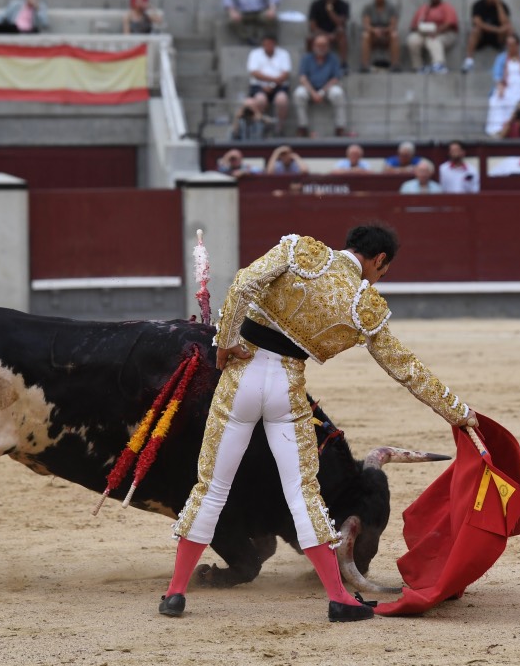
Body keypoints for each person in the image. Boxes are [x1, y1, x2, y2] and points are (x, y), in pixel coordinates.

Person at [159, 224, 477, 621]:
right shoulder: (365, 304)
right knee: (302, 494)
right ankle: (339, 600)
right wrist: (459, 412)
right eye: (383, 270)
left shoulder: (301, 251)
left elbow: (243, 285)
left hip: (241, 376)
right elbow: (406, 369)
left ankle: (175, 594)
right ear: (378, 260)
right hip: (286, 389)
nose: (379, 277)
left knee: (212, 487)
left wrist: (225, 343)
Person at [293, 35, 348, 138]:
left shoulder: (333, 58)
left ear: (328, 46)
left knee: (338, 93)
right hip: (310, 88)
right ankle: (302, 126)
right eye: (318, 45)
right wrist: (313, 93)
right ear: (313, 46)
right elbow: (302, 78)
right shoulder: (306, 58)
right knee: (299, 93)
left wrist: (322, 92)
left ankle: (340, 127)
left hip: (327, 88)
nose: (321, 47)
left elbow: (335, 78)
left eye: (324, 45)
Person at [484, 33, 520, 137]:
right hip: (506, 86)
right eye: (508, 44)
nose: (510, 47)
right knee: (496, 100)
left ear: (517, 45)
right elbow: (497, 75)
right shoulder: (501, 58)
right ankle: (498, 129)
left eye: (512, 44)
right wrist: (500, 86)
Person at [406, 0, 459, 73]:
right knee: (412, 40)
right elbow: (413, 26)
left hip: (444, 33)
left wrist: (437, 31)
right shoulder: (423, 8)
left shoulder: (446, 7)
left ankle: (438, 64)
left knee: (433, 40)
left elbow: (450, 23)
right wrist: (420, 29)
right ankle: (418, 66)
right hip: (424, 33)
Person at [461, 0, 512, 73]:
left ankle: (508, 59)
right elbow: (478, 23)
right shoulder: (479, 4)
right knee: (475, 30)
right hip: (482, 36)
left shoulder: (503, 6)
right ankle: (469, 61)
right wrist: (496, 30)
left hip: (497, 38)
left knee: (509, 29)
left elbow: (505, 22)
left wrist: (498, 5)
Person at [246, 33, 291, 134]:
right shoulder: (255, 54)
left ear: (275, 44)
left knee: (282, 100)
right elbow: (254, 73)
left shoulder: (284, 54)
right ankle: (259, 128)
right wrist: (271, 81)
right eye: (266, 44)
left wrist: (273, 84)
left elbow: (285, 74)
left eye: (271, 44)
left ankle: (279, 128)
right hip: (259, 86)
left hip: (279, 86)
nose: (269, 46)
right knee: (260, 100)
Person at [308, 0, 350, 74]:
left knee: (342, 34)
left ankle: (343, 64)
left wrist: (330, 10)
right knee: (310, 38)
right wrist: (326, 35)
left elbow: (341, 24)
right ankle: (311, 65)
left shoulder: (343, 5)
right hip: (320, 33)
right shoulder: (316, 4)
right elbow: (312, 26)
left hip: (336, 33)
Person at [360, 0, 401, 73]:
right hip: (373, 35)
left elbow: (393, 25)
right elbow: (366, 24)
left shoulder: (391, 8)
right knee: (365, 35)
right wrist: (374, 30)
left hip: (387, 34)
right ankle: (365, 65)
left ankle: (395, 65)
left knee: (394, 35)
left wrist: (384, 30)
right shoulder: (368, 7)